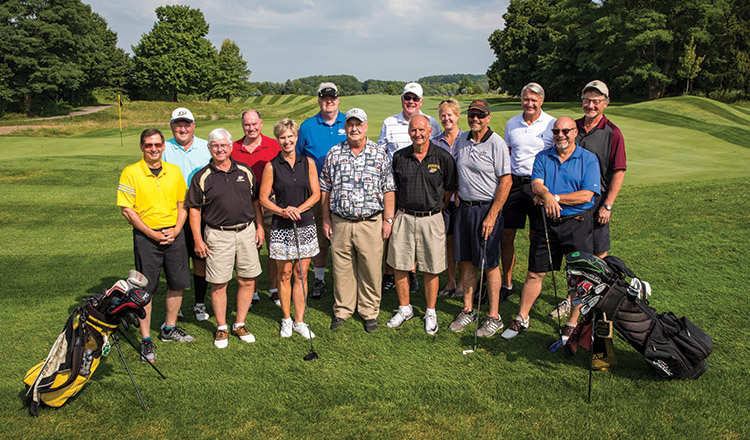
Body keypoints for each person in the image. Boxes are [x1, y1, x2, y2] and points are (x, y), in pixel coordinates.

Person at [501, 117, 600, 340]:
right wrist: (546, 195)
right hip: (548, 223)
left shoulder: (588, 159)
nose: (560, 135)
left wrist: (553, 198)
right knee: (535, 272)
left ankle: (572, 323)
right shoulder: (543, 156)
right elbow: (536, 184)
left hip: (577, 224)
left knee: (578, 275)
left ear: (575, 132)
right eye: (556, 131)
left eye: (565, 130)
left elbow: (586, 195)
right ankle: (522, 317)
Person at [549, 80, 627, 320]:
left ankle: (598, 299)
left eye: (596, 101)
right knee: (574, 256)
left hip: (597, 204)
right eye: (587, 100)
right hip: (570, 205)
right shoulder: (571, 128)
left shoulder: (612, 132)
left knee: (598, 255)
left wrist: (608, 205)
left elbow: (618, 171)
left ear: (605, 103)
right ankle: (572, 299)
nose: (591, 105)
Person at [117, 128, 194, 363]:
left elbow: (183, 203)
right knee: (145, 290)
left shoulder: (174, 171)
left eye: (157, 145)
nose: (153, 149)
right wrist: (152, 233)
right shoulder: (130, 173)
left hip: (174, 234)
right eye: (149, 145)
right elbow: (127, 210)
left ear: (163, 147)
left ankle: (169, 329)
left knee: (177, 282)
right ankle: (146, 339)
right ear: (142, 147)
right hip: (146, 237)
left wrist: (178, 229)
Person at [320, 108, 396, 333]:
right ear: (346, 127)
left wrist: (388, 220)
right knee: (342, 269)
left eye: (358, 124)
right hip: (340, 221)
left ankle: (369, 311)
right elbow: (325, 188)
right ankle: (342, 310)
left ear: (366, 126)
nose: (354, 128)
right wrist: (325, 219)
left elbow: (389, 189)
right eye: (350, 124)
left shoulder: (379, 154)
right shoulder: (334, 153)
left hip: (370, 222)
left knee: (371, 269)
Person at [187, 128, 264, 349]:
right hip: (217, 234)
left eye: (223, 145)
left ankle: (240, 323)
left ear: (230, 147)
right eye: (215, 145)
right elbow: (194, 211)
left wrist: (260, 226)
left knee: (247, 280)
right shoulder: (202, 176)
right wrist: (198, 240)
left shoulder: (245, 171)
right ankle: (221, 327)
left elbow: (256, 201)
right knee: (219, 282)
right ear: (209, 148)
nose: (219, 149)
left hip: (246, 231)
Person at [386, 115, 457, 334]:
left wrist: (436, 208)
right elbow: (393, 188)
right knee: (400, 265)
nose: (418, 134)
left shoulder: (443, 157)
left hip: (432, 218)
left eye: (421, 130)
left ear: (429, 131)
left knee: (432, 268)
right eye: (413, 130)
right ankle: (405, 308)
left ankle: (430, 311)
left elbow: (449, 188)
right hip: (404, 217)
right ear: (409, 132)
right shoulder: (399, 157)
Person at [448, 100, 512, 338]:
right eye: (471, 114)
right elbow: (457, 170)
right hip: (464, 209)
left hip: (487, 210)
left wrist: (492, 215)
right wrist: (456, 192)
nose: (475, 118)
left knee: (490, 264)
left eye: (480, 115)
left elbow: (506, 181)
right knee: (465, 260)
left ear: (488, 117)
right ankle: (468, 309)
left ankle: (494, 316)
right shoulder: (461, 140)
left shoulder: (496, 143)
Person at [260, 118, 320, 339]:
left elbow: (316, 194)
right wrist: (284, 211)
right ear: (278, 139)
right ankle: (286, 319)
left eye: (290, 136)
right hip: (282, 224)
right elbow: (264, 199)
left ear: (296, 138)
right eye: (282, 137)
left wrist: (299, 209)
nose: (287, 141)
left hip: (305, 224)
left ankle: (300, 321)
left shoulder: (309, 163)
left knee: (301, 274)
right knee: (284, 274)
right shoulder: (271, 166)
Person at [378, 82, 440, 294]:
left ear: (421, 101)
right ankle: (390, 274)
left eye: (415, 98)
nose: (410, 102)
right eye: (407, 98)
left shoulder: (431, 123)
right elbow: (381, 152)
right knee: (393, 233)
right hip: (394, 187)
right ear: (402, 99)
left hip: (423, 187)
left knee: (416, 235)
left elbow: (438, 154)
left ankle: (411, 273)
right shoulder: (389, 122)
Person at [501, 83, 556, 302]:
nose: (529, 103)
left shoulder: (551, 123)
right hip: (514, 184)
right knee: (507, 235)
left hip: (539, 185)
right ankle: (507, 282)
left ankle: (532, 280)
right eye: (526, 99)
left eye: (534, 100)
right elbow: (508, 153)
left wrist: (544, 189)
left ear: (541, 101)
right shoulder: (512, 123)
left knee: (537, 236)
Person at [297, 82, 347, 300]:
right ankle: (319, 279)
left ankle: (344, 280)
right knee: (320, 236)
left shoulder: (349, 121)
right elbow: (298, 158)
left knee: (344, 236)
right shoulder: (308, 126)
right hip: (317, 191)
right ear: (319, 100)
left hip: (345, 191)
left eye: (332, 98)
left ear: (338, 100)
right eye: (325, 98)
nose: (329, 101)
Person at [162, 108, 212, 322]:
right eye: (178, 124)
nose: (182, 129)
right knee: (177, 260)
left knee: (200, 256)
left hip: (201, 210)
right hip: (172, 212)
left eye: (187, 124)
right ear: (172, 126)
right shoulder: (163, 148)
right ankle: (177, 306)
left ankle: (199, 303)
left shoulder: (206, 147)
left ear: (193, 126)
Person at [231, 110, 282, 307]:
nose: (251, 128)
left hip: (270, 203)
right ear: (242, 125)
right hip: (244, 206)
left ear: (261, 123)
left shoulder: (273, 145)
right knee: (249, 251)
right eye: (247, 124)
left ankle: (274, 288)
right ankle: (251, 291)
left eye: (254, 124)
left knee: (274, 249)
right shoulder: (234, 148)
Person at [431, 98, 465, 298]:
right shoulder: (435, 141)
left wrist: (459, 189)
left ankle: (462, 283)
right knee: (448, 241)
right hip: (444, 201)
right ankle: (451, 281)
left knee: (462, 242)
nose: (446, 119)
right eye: (443, 115)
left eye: (449, 115)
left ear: (457, 116)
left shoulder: (466, 139)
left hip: (462, 199)